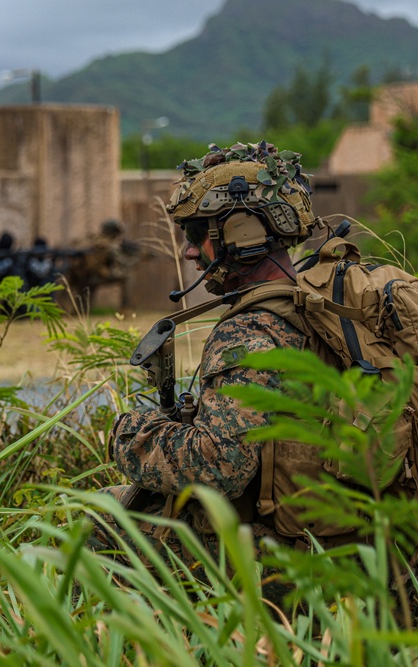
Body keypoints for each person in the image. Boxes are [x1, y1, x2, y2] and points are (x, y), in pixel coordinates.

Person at [89, 141, 320, 575]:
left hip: (285, 553)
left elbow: (218, 467)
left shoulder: (252, 331)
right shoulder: (318, 299)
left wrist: (130, 434)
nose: (190, 252)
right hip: (341, 527)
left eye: (197, 235)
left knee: (105, 516)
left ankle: (122, 642)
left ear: (242, 235)